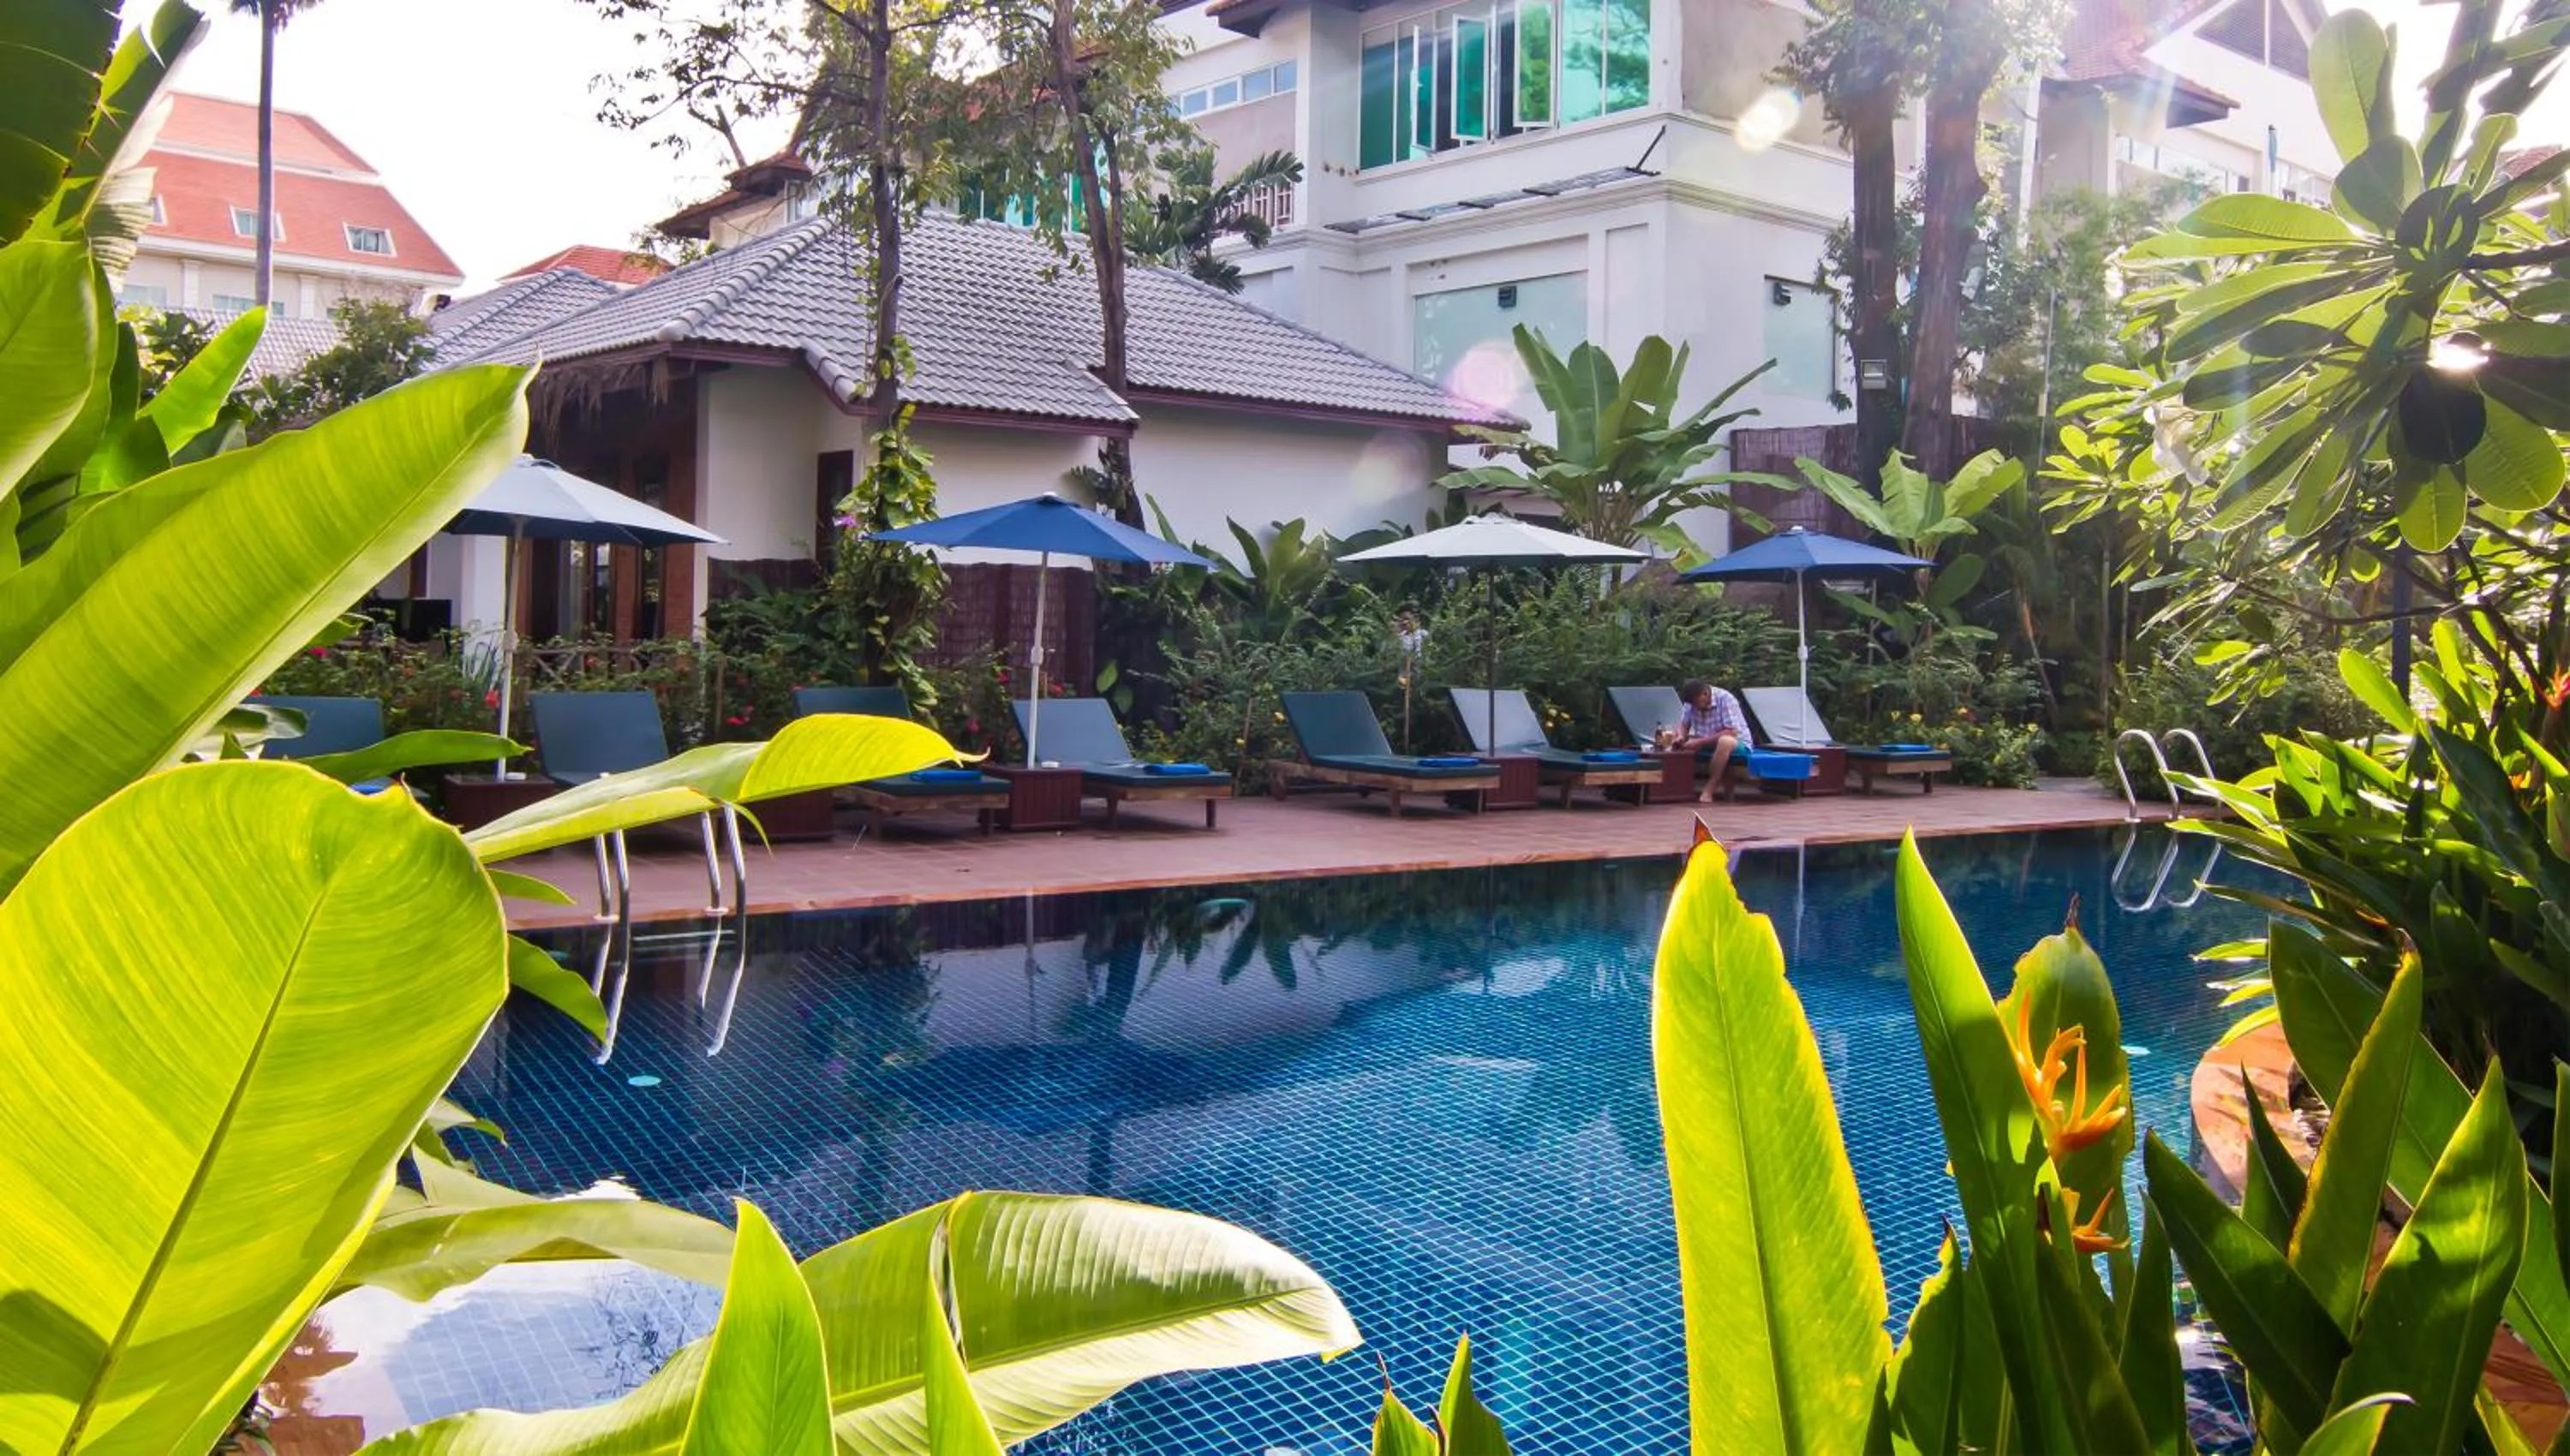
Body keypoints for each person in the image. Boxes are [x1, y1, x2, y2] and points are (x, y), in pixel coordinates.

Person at [1675, 677, 1753, 803]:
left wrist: (1699, 742)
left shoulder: (1726, 699)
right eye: (1693, 705)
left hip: (1736, 741)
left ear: (1705, 693)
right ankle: (1676, 789)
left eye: (1697, 703)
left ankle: (1710, 788)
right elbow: (1684, 725)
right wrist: (1680, 737)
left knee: (1724, 742)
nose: (1696, 707)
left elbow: (1731, 731)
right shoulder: (1691, 702)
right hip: (1705, 740)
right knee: (1674, 745)